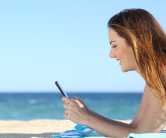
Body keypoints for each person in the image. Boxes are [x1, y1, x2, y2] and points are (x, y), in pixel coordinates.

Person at [62, 9, 166, 137]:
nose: (111, 55)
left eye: (114, 46)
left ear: (136, 42)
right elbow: (135, 128)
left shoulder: (162, 76)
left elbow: (143, 135)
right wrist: (88, 114)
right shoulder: (154, 80)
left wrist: (86, 119)